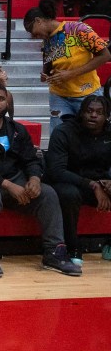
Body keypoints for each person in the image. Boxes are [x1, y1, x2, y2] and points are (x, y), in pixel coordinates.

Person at [0, 82, 81, 277]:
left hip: (15, 179)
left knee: (48, 193)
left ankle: (54, 253)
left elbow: (31, 159)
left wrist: (34, 179)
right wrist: (8, 185)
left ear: (7, 101)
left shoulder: (17, 129)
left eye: (0, 99)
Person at [45, 94, 111, 265]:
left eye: (99, 112)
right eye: (89, 111)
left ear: (107, 117)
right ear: (81, 113)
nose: (93, 115)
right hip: (68, 181)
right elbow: (56, 171)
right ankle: (72, 246)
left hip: (99, 182)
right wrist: (93, 185)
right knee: (69, 194)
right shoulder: (64, 131)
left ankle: (109, 244)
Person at [24, 0, 110, 129]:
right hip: (59, 96)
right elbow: (49, 66)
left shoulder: (79, 29)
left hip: (87, 93)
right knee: (58, 137)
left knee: (90, 137)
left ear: (38, 20)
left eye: (31, 30)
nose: (33, 35)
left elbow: (105, 56)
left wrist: (70, 74)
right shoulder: (47, 41)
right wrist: (46, 75)